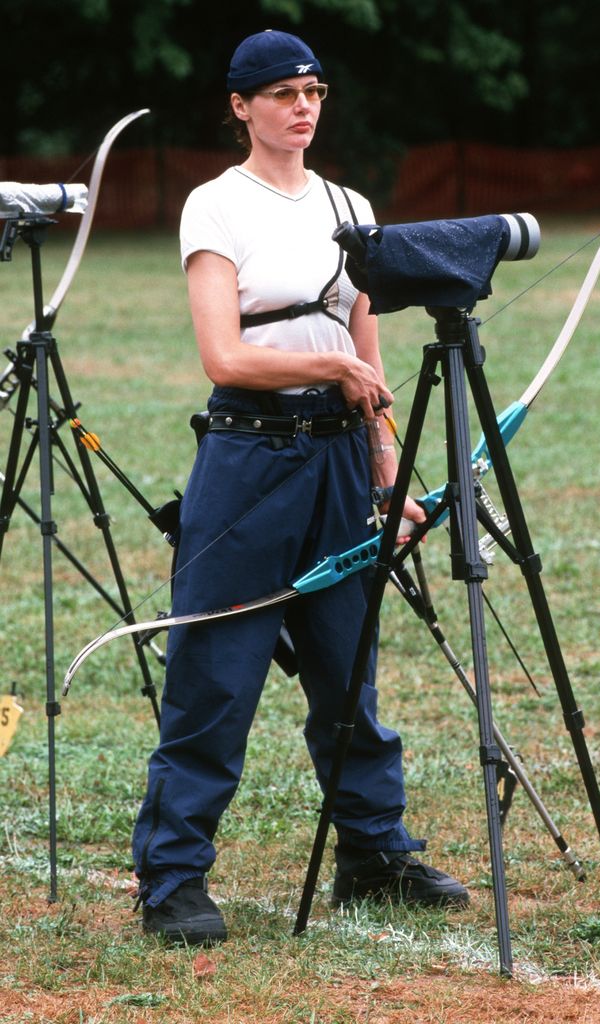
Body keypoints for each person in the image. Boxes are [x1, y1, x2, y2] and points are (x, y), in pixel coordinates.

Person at [131, 29, 469, 946]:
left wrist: (386, 468)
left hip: (336, 463)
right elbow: (224, 354)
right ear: (240, 106)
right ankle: (172, 879)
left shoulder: (348, 203)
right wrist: (327, 366)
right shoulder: (215, 206)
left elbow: (368, 354)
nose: (302, 105)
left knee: (345, 668)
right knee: (215, 676)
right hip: (247, 463)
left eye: (313, 89)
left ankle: (372, 853)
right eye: (280, 92)